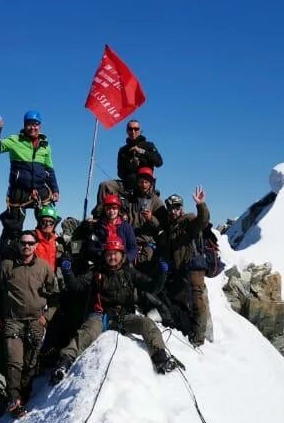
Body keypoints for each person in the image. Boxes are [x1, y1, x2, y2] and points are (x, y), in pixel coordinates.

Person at [52, 236, 180, 380]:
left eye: (115, 253)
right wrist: (68, 273)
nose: (112, 257)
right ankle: (65, 362)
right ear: (104, 255)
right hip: (100, 316)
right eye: (109, 254)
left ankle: (160, 357)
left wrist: (162, 274)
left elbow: (151, 287)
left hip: (124, 316)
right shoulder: (95, 272)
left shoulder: (129, 272)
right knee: (86, 334)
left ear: (122, 255)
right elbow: (76, 287)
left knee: (147, 324)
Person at [0, 231, 57, 416]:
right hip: (13, 319)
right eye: (23, 243)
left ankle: (25, 394)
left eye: (30, 243)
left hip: (36, 320)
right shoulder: (7, 266)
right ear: (18, 245)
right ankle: (14, 398)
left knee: (31, 362)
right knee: (15, 361)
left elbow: (55, 295)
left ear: (36, 245)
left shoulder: (43, 267)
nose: (26, 246)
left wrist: (47, 316)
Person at [0, 111, 59, 262]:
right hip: (19, 191)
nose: (32, 127)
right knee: (12, 229)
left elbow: (49, 169)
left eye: (35, 124)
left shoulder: (45, 146)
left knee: (47, 222)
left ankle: (45, 260)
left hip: (41, 190)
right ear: (25, 125)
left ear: (39, 126)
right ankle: (8, 263)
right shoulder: (15, 140)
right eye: (29, 124)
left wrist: (55, 189)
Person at [159, 186, 213, 347]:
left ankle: (198, 339)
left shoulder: (188, 220)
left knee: (197, 301)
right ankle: (188, 331)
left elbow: (202, 221)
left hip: (194, 266)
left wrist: (200, 204)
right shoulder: (171, 227)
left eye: (176, 208)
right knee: (183, 301)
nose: (174, 211)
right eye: (171, 209)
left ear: (181, 209)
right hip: (181, 270)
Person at [84, 194, 138, 265]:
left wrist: (126, 259)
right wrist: (101, 255)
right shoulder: (98, 227)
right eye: (108, 208)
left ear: (118, 209)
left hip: (122, 263)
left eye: (114, 208)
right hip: (103, 263)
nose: (111, 211)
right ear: (104, 210)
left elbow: (133, 248)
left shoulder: (126, 227)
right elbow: (91, 247)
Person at [117, 119, 163, 193]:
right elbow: (120, 173)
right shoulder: (123, 150)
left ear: (140, 130)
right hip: (128, 184)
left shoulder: (149, 145)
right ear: (127, 131)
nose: (133, 131)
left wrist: (143, 152)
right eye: (130, 129)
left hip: (145, 184)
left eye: (136, 129)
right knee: (105, 185)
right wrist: (130, 164)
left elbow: (159, 162)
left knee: (157, 202)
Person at [31, 205, 64, 270]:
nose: (47, 224)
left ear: (54, 224)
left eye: (51, 222)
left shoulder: (57, 241)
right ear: (39, 222)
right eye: (44, 221)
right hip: (35, 278)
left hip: (51, 278)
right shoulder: (31, 239)